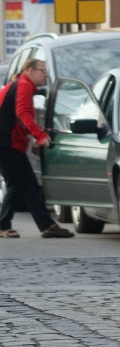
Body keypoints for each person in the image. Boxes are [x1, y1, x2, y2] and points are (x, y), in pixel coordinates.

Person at [0, 59, 74, 239]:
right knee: (17, 183)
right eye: (43, 71)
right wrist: (39, 136)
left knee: (29, 185)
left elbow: (18, 117)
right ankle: (2, 225)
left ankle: (47, 226)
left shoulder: (22, 85)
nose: (46, 75)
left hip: (10, 143)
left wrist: (33, 134)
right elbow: (22, 113)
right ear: (30, 70)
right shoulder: (24, 84)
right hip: (5, 143)